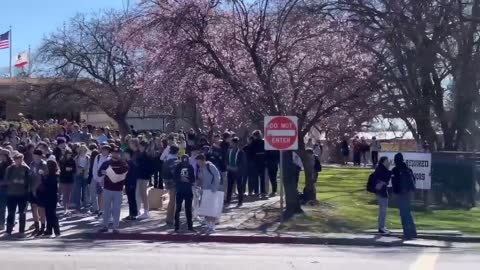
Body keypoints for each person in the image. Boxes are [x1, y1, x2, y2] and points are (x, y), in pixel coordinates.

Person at [98, 147, 128, 233]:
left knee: (116, 208)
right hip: (107, 188)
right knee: (106, 208)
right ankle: (105, 226)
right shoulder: (106, 163)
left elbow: (126, 174)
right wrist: (103, 172)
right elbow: (99, 172)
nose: (116, 154)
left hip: (118, 189)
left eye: (117, 153)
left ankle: (115, 227)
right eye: (114, 152)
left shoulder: (123, 163)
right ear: (111, 153)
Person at [4, 152, 32, 235]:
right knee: (11, 212)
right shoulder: (10, 168)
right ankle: (9, 230)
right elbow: (6, 180)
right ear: (14, 160)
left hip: (22, 194)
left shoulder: (26, 168)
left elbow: (29, 180)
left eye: (21, 160)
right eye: (17, 160)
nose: (19, 161)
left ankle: (21, 230)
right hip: (11, 193)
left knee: (22, 212)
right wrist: (13, 181)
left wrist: (23, 182)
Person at [391, 153, 417, 240]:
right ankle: (413, 232)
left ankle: (407, 233)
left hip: (401, 194)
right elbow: (413, 180)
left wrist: (394, 193)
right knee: (408, 213)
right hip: (408, 193)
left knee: (403, 214)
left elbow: (394, 183)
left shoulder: (395, 170)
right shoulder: (408, 169)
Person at [196, 154, 224, 233]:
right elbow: (200, 179)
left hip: (212, 191)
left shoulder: (210, 166)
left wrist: (214, 189)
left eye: (199, 161)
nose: (198, 163)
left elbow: (217, 177)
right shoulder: (200, 168)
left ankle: (212, 227)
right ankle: (208, 226)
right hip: (204, 191)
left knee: (212, 209)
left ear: (202, 160)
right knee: (205, 209)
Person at [37, 159, 61, 237]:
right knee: (48, 213)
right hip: (48, 196)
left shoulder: (53, 176)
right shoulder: (49, 175)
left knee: (52, 214)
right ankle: (49, 230)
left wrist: (42, 176)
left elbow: (48, 185)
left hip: (51, 196)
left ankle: (57, 231)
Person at [174, 154, 195, 232]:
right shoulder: (178, 167)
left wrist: (188, 180)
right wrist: (180, 179)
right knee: (178, 209)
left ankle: (190, 226)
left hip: (188, 191)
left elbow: (193, 179)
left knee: (188, 209)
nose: (185, 161)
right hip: (180, 190)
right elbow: (175, 177)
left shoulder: (190, 167)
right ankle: (176, 226)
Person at [29, 149, 48, 236]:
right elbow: (30, 176)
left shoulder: (44, 165)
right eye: (34, 156)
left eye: (36, 156)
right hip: (33, 189)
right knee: (34, 208)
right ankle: (36, 226)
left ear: (40, 156)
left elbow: (45, 177)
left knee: (41, 209)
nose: (35, 157)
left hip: (41, 190)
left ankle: (42, 227)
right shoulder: (32, 164)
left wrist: (37, 188)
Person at [372, 156, 391, 234]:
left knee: (383, 210)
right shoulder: (381, 169)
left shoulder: (381, 168)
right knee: (382, 210)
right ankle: (381, 227)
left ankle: (382, 226)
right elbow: (386, 179)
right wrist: (389, 170)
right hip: (381, 192)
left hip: (382, 191)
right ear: (383, 161)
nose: (388, 162)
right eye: (387, 161)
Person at [90, 145, 111, 217]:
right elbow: (95, 168)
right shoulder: (98, 157)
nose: (105, 152)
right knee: (100, 195)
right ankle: (100, 210)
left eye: (107, 150)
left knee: (106, 195)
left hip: (108, 180)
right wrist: (97, 179)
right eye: (104, 150)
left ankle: (106, 210)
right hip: (99, 179)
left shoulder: (110, 158)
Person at [136, 141, 154, 219]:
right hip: (140, 176)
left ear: (144, 147)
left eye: (140, 146)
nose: (139, 147)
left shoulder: (146, 155)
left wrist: (147, 174)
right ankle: (143, 211)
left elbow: (149, 166)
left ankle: (146, 212)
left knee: (143, 194)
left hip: (144, 176)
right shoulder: (141, 154)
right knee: (141, 193)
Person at [162, 145, 180, 226]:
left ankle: (169, 218)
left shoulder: (167, 159)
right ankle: (170, 219)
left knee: (171, 201)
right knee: (173, 201)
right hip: (174, 183)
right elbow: (175, 173)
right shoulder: (175, 161)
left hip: (167, 182)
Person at [226, 137, 246, 206]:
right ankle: (228, 200)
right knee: (229, 186)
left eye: (232, 142)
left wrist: (238, 168)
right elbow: (226, 160)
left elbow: (243, 162)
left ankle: (240, 201)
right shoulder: (229, 151)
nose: (230, 144)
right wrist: (227, 166)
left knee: (239, 186)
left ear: (235, 143)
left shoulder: (241, 152)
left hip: (238, 172)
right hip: (230, 171)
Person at [73, 145, 90, 211]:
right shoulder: (76, 158)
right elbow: (75, 166)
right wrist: (79, 169)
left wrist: (84, 169)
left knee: (85, 191)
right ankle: (78, 206)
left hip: (85, 175)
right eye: (81, 150)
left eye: (84, 150)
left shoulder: (88, 158)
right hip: (78, 175)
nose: (83, 151)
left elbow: (88, 166)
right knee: (78, 191)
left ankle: (85, 205)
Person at [250, 130, 266, 198]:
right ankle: (263, 192)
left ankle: (256, 191)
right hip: (262, 161)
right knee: (262, 178)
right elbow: (266, 152)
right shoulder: (263, 142)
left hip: (255, 162)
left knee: (255, 178)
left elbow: (251, 152)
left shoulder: (253, 143)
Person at [59, 149, 76, 214]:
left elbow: (74, 170)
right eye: (68, 153)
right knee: (64, 194)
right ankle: (65, 208)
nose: (69, 155)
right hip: (63, 179)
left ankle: (67, 208)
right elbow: (60, 169)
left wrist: (70, 169)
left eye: (70, 153)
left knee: (69, 194)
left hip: (70, 179)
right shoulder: (62, 160)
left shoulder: (73, 160)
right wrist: (65, 169)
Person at [123, 149, 138, 220]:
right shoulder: (127, 162)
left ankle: (133, 214)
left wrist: (132, 184)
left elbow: (133, 175)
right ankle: (131, 214)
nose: (124, 155)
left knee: (132, 199)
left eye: (125, 153)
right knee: (130, 199)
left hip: (131, 183)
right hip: (128, 183)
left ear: (129, 154)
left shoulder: (131, 163)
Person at [0, 148, 12, 231]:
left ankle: (9, 224)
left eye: (1, 154)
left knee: (10, 208)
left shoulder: (11, 166)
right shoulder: (1, 164)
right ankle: (1, 224)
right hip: (2, 189)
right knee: (2, 208)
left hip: (9, 189)